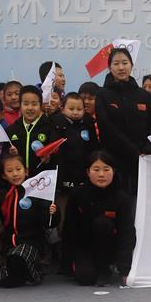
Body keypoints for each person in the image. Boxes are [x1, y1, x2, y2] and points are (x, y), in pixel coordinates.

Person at [0, 153, 56, 287]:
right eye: (9, 171)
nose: (15, 174)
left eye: (18, 169)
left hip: (32, 243)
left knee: (18, 257)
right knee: (3, 279)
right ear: (4, 175)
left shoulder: (36, 192)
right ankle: (21, 273)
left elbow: (48, 223)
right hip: (9, 244)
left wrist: (53, 212)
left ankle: (34, 272)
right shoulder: (2, 194)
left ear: (25, 171)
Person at [62, 150, 136, 286]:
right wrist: (67, 261)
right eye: (96, 170)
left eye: (106, 169)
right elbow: (69, 229)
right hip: (85, 246)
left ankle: (106, 267)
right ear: (88, 172)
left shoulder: (122, 197)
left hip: (110, 246)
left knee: (102, 223)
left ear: (113, 171)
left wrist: (125, 271)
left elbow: (127, 234)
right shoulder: (78, 194)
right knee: (85, 278)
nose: (101, 174)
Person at [94, 47, 151, 194]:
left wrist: (146, 149)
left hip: (142, 160)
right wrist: (133, 150)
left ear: (131, 65)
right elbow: (106, 128)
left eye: (125, 63)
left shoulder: (144, 95)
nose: (121, 67)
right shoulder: (103, 95)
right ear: (109, 67)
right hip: (114, 160)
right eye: (116, 63)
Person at [51, 91, 98, 229]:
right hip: (63, 181)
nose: (75, 112)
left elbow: (94, 149)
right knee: (63, 217)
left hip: (83, 179)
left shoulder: (88, 124)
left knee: (84, 217)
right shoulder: (56, 124)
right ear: (62, 108)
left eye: (79, 109)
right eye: (71, 109)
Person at [6, 85, 56, 177]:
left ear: (40, 105)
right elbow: (5, 158)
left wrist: (48, 159)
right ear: (20, 105)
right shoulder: (12, 129)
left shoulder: (50, 127)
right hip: (19, 180)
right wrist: (11, 154)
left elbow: (58, 156)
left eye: (34, 104)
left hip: (43, 180)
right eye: (26, 104)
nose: (30, 108)